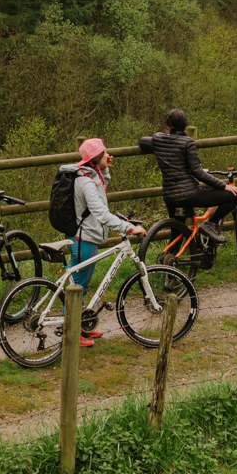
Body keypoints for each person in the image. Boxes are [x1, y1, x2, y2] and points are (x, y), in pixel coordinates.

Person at [60, 138, 146, 346]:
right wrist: (128, 227)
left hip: (87, 236)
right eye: (104, 153)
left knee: (83, 285)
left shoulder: (90, 175)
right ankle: (70, 334)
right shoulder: (86, 181)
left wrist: (105, 169)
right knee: (77, 288)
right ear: (95, 158)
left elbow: (101, 190)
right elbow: (100, 211)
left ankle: (79, 326)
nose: (108, 156)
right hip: (84, 238)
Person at [139, 109, 237, 244]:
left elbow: (142, 142)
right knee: (236, 196)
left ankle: (167, 261)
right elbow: (198, 173)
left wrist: (165, 137)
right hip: (190, 195)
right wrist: (224, 185)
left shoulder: (158, 139)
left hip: (170, 197)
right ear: (185, 125)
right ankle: (210, 224)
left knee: (177, 233)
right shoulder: (187, 142)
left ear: (168, 125)